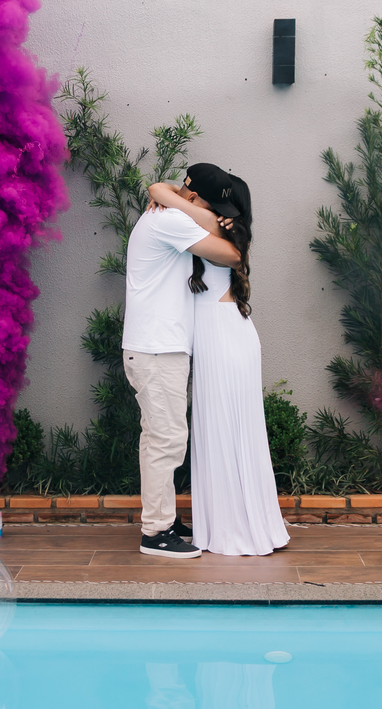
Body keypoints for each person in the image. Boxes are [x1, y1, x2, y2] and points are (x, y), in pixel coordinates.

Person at [148, 165, 290, 556]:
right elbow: (160, 190)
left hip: (224, 337)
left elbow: (158, 189)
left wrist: (170, 196)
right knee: (222, 431)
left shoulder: (214, 224)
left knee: (227, 430)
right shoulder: (213, 223)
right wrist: (172, 193)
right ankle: (233, 523)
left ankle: (235, 529)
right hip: (221, 335)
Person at [123, 166, 241, 559]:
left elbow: (171, 192)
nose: (217, 214)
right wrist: (176, 200)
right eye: (213, 206)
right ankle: (156, 532)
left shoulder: (170, 211)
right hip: (156, 348)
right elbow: (231, 254)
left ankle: (163, 519)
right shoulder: (169, 220)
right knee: (167, 439)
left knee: (159, 437)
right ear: (192, 199)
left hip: (157, 346)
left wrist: (167, 191)